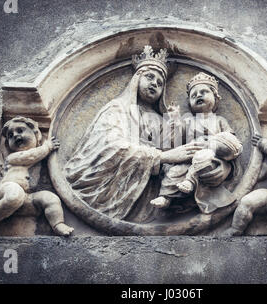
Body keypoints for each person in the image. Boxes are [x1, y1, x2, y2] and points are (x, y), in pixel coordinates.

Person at [64, 46, 233, 223]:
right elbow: (110, 147)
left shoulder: (161, 121)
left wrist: (220, 165)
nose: (154, 84)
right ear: (136, 79)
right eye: (150, 77)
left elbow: (181, 149)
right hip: (106, 189)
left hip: (151, 195)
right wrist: (161, 156)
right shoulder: (117, 109)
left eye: (160, 83)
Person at [150, 72, 242, 214]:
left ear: (216, 98)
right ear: (189, 103)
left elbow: (229, 140)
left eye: (204, 92)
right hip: (188, 156)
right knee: (175, 171)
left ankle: (190, 182)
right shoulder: (188, 121)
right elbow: (176, 141)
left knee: (202, 161)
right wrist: (174, 120)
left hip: (210, 155)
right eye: (194, 95)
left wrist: (223, 145)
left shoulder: (219, 121)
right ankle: (165, 197)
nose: (198, 95)